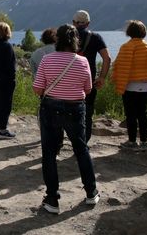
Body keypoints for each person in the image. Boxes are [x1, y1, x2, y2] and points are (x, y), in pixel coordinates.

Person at [33, 24, 99, 214]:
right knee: (81, 150)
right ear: (75, 40)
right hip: (75, 108)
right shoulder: (83, 61)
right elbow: (88, 89)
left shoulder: (47, 60)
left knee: (49, 153)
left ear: (58, 40)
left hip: (50, 107)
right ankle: (91, 192)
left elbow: (38, 88)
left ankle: (52, 199)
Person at [112, 20, 147, 151]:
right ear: (143, 32)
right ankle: (144, 142)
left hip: (130, 85)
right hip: (146, 86)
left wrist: (115, 78)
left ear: (129, 32)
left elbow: (118, 65)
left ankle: (132, 141)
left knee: (131, 114)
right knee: (143, 113)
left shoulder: (126, 47)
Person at [72, 10, 111, 143]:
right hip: (88, 82)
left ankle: (67, 140)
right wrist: (102, 77)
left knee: (66, 112)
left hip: (68, 80)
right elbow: (107, 58)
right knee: (87, 113)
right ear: (88, 23)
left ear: (73, 22)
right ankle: (84, 143)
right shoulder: (96, 37)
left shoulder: (67, 36)